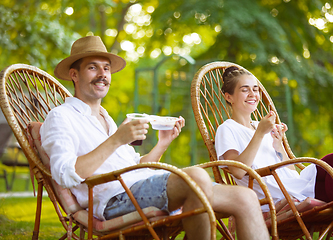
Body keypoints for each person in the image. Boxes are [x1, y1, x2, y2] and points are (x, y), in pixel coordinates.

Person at [40, 36, 270, 240]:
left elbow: (136, 166)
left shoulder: (106, 119)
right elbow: (65, 173)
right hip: (114, 200)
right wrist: (116, 140)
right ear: (74, 74)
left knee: (246, 197)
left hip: (139, 186)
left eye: (106, 68)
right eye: (93, 67)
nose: (102, 75)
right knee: (196, 177)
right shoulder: (60, 117)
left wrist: (163, 142)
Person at [215, 66, 333, 239]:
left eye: (255, 89)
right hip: (276, 197)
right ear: (228, 96)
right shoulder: (227, 129)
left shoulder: (261, 126)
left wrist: (278, 144)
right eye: (245, 90)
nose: (253, 94)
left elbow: (290, 171)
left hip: (294, 186)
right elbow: (238, 171)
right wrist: (260, 133)